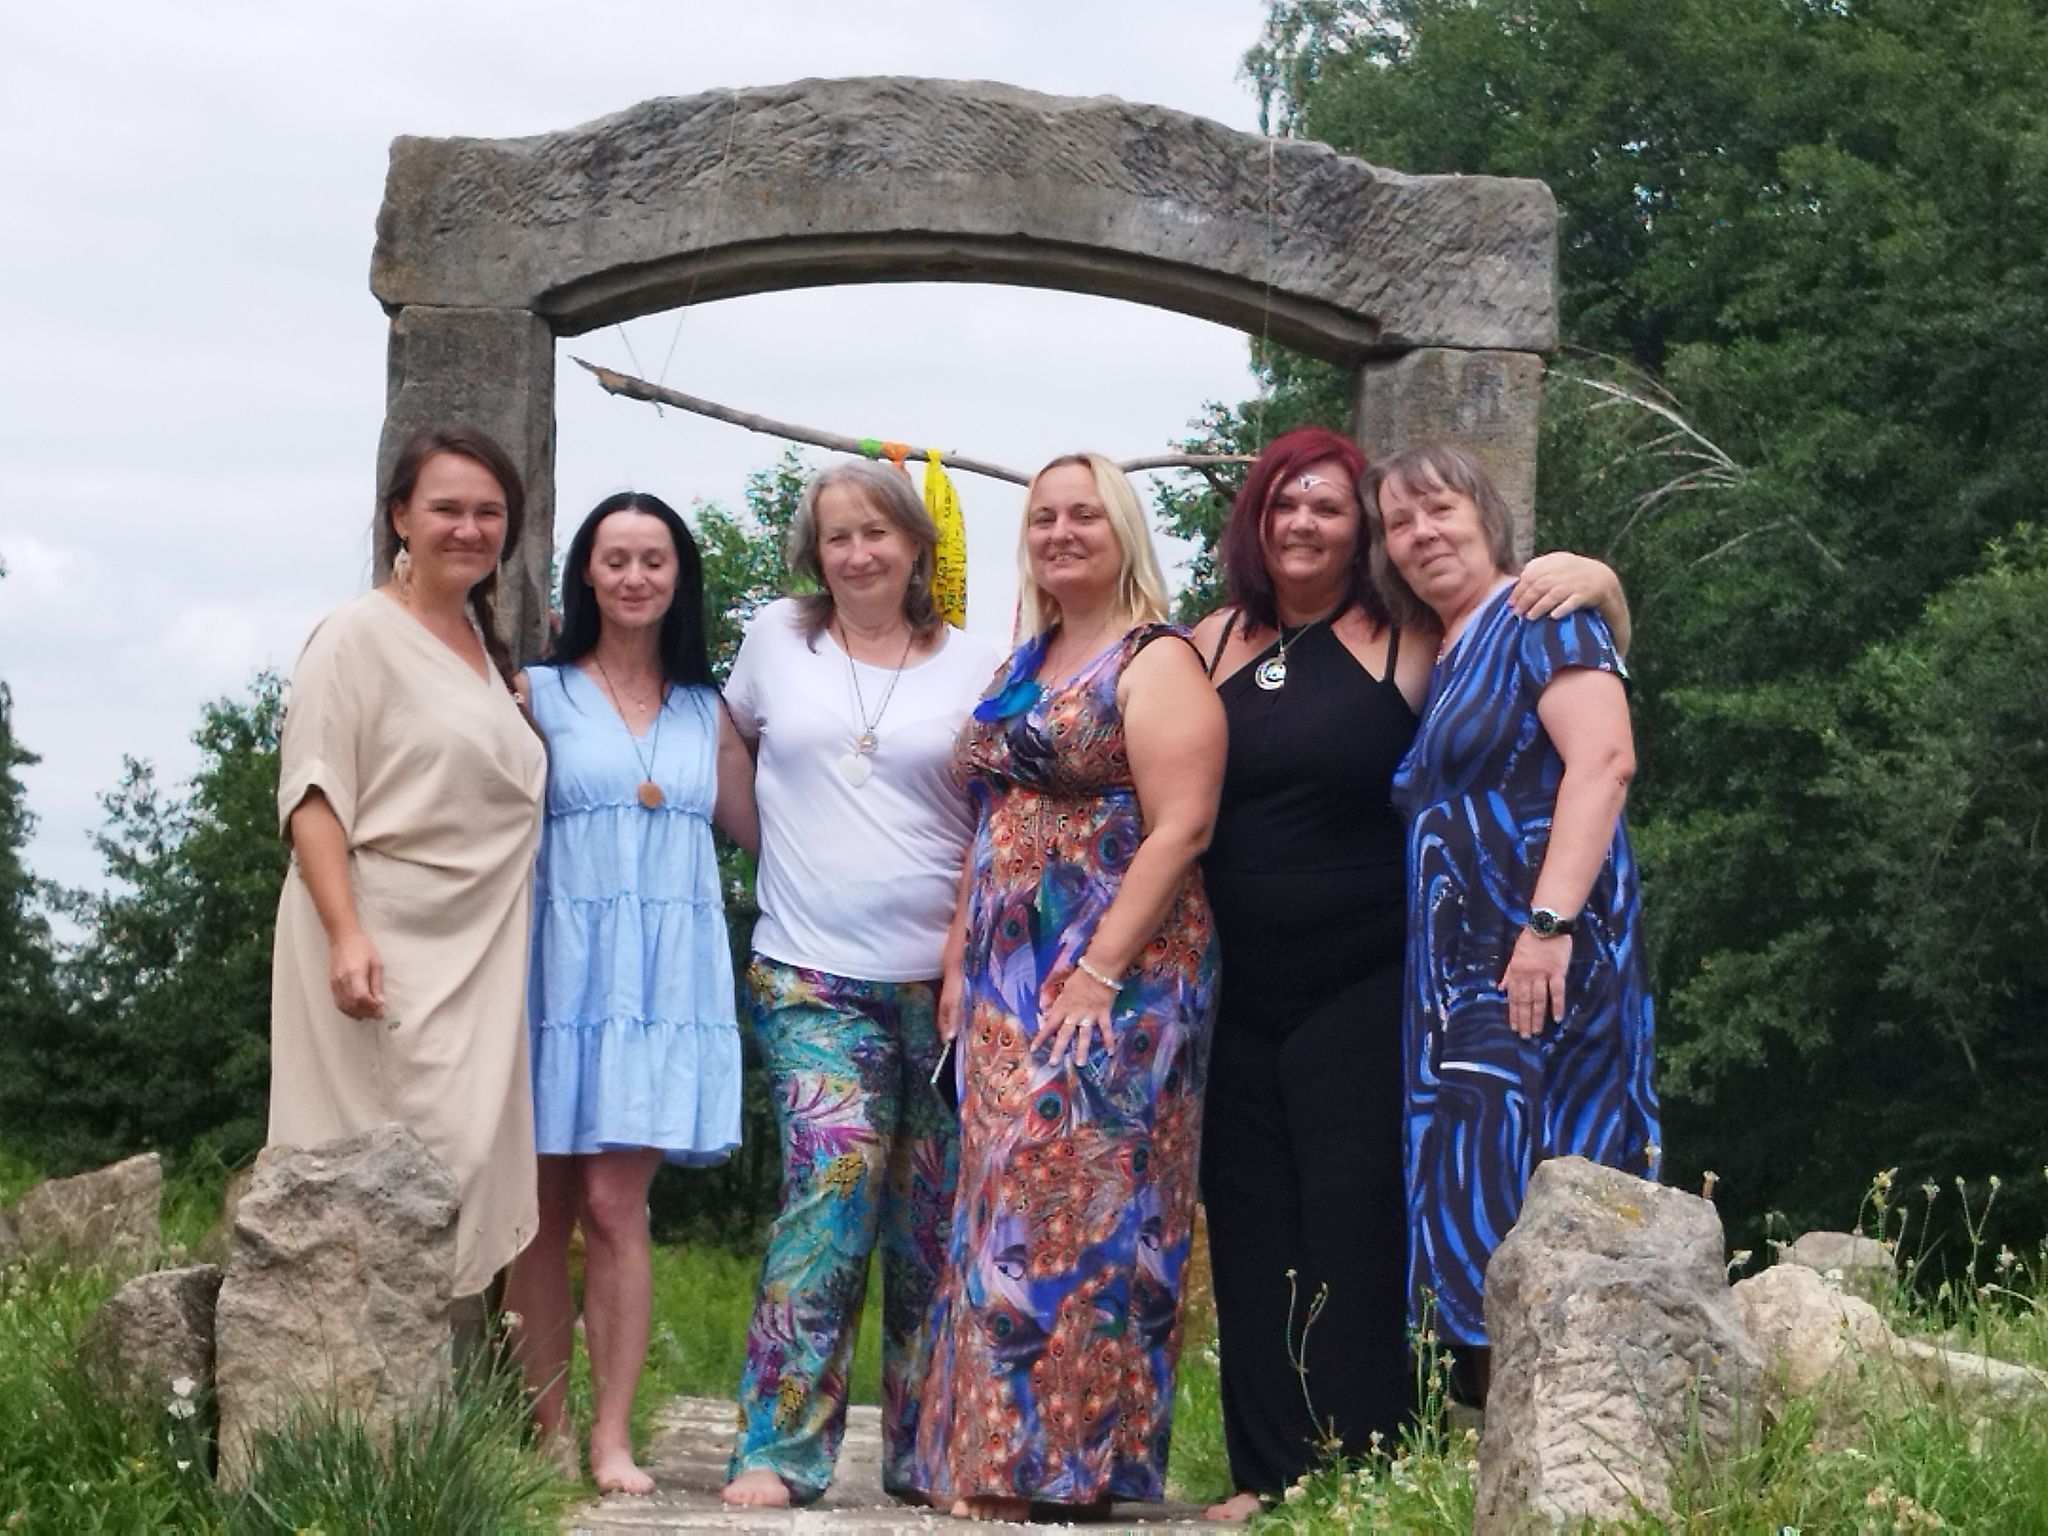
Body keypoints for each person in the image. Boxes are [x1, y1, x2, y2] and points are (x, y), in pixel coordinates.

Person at [1188, 427, 1630, 1521]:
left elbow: (1597, 738)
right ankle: (1267, 1473)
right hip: (1266, 980)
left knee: (1366, 1219)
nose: (1305, 522)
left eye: (1335, 508)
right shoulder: (1212, 638)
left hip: (1400, 970)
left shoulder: (1436, 632)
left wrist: (1605, 581)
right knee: (1256, 1219)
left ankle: (1367, 1467)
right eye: (1284, 502)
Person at [911, 453, 1227, 1523]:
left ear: (1121, 529)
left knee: (1075, 1200)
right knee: (994, 1196)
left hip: (1119, 974)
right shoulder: (1025, 658)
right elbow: (991, 815)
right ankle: (989, 1455)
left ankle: (1066, 1466)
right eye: (1044, 517)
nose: (1060, 532)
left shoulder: (1156, 658)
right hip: (1005, 972)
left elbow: (1183, 825)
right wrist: (958, 962)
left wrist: (1097, 972)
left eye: (1083, 514)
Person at [719, 461, 1001, 1510]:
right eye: (837, 536)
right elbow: (728, 738)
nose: (857, 553)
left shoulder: (978, 661)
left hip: (942, 985)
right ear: (814, 552)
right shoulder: (774, 640)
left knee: (931, 1224)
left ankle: (927, 1454)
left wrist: (971, 945)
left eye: (877, 532)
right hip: (808, 974)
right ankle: (778, 1449)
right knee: (829, 1196)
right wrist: (771, 849)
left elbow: (1000, 811)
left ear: (917, 546)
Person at [1373, 440, 1659, 1405]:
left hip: (1540, 955)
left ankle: (1586, 1424)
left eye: (1440, 510)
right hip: (1464, 985)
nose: (1422, 533)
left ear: (1487, 518)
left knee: (1556, 1175)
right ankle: (1502, 1436)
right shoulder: (1443, 645)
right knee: (1479, 1185)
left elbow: (1605, 761)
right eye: (1400, 522)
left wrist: (1548, 924)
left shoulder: (1541, 610)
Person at [502, 492, 759, 1493]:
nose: (635, 577)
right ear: (586, 573)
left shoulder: (709, 711)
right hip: (553, 970)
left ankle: (611, 1437)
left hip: (662, 985)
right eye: (615, 559)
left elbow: (772, 838)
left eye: (654, 559)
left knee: (614, 1202)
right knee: (539, 1206)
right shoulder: (535, 692)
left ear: (679, 577)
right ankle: (547, 1430)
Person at [269, 422, 546, 1302]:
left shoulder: (484, 651)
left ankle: (425, 1381)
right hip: (382, 942)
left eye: (488, 512)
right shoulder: (354, 635)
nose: (469, 528)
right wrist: (344, 933)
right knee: (377, 1172)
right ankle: (328, 1374)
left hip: (474, 957)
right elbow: (314, 793)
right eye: (446, 509)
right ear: (399, 517)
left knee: (458, 1167)